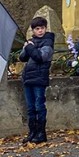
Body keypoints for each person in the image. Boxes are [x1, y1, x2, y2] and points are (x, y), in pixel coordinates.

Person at [19, 16, 55, 144]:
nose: (40, 31)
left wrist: (30, 48)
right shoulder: (31, 42)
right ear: (33, 30)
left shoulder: (48, 42)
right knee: (30, 107)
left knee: (39, 106)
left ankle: (41, 133)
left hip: (39, 78)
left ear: (46, 28)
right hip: (28, 78)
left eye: (42, 28)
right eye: (37, 29)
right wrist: (26, 47)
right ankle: (32, 132)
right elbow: (22, 57)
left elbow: (40, 57)